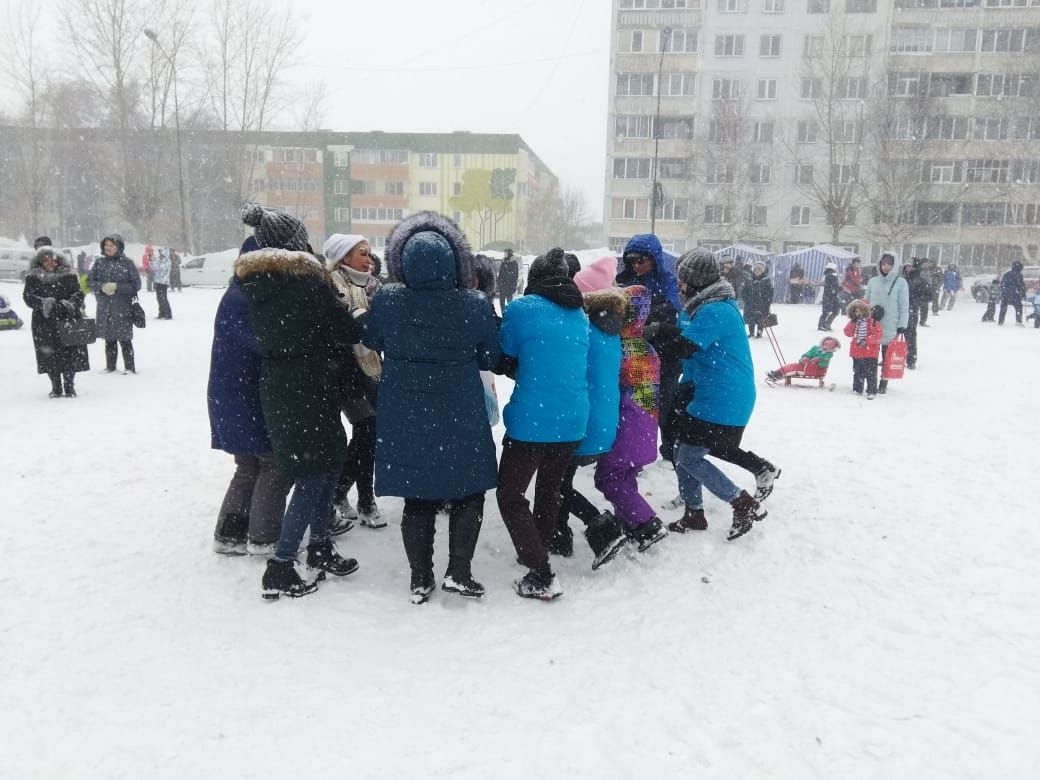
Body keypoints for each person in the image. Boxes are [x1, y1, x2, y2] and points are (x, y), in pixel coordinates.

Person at [364, 211, 500, 604]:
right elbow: (490, 356)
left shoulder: (389, 300)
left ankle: (420, 577)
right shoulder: (473, 304)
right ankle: (459, 570)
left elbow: (371, 337)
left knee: (417, 495)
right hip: (460, 411)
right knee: (469, 490)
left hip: (405, 413)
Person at [236, 203, 362, 600]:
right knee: (313, 474)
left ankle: (321, 545)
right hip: (307, 387)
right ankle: (281, 565)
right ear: (294, 242)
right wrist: (354, 313)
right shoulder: (306, 284)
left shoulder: (259, 283)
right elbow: (340, 328)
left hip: (285, 387)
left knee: (327, 464)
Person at [656, 249, 770, 541]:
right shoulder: (702, 307)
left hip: (726, 396)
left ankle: (742, 502)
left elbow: (683, 348)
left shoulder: (715, 310)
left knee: (689, 457)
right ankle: (694, 513)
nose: (680, 287)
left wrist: (652, 334)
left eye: (683, 281)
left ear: (696, 282)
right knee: (683, 450)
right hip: (708, 391)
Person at [497, 247, 589, 601]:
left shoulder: (521, 309)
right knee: (549, 489)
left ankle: (541, 571)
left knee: (509, 493)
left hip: (533, 420)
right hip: (572, 418)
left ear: (534, 278)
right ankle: (536, 549)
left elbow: (507, 356)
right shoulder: (579, 313)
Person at [208, 237, 292, 556]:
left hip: (234, 393)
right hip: (246, 394)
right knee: (272, 463)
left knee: (248, 465)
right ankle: (263, 537)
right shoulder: (248, 297)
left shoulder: (238, 292)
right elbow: (268, 343)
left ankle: (230, 534)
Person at [550, 256, 629, 569]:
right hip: (603, 420)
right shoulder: (610, 330)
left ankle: (601, 529)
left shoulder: (584, 329)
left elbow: (569, 374)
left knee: (556, 484)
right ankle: (558, 537)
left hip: (582, 421)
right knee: (558, 481)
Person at [592, 284, 667, 551]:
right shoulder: (647, 348)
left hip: (627, 426)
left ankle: (647, 524)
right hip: (647, 427)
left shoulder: (619, 348)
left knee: (607, 478)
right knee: (625, 477)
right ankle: (631, 523)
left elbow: (607, 389)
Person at [325, 233, 384, 529]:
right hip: (346, 372)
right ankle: (363, 500)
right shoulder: (331, 285)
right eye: (362, 253)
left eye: (370, 253)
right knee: (367, 434)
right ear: (344, 257)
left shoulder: (375, 286)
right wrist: (359, 322)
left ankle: (343, 493)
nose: (368, 259)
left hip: (373, 369)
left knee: (367, 437)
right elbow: (339, 330)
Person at [616, 233, 682, 461]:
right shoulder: (624, 281)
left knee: (666, 406)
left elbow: (675, 310)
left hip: (666, 355)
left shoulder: (668, 281)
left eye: (641, 260)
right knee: (637, 407)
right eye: (631, 261)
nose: (636, 265)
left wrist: (653, 320)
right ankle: (637, 450)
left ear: (654, 259)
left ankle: (669, 450)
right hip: (636, 355)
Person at [23, 246, 90, 397]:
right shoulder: (32, 277)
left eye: (51, 259)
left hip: (67, 319)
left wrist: (68, 303)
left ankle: (69, 385)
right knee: (49, 355)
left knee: (70, 353)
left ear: (57, 259)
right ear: (39, 262)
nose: (48, 262)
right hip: (44, 322)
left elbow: (79, 294)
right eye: (44, 260)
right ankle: (56, 386)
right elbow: (28, 297)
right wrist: (44, 303)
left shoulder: (69, 275)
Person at [87, 234, 140, 374]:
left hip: (122, 307)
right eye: (106, 245)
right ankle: (110, 366)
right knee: (109, 338)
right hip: (105, 307)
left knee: (125, 339)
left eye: (111, 245)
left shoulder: (127, 263)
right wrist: (101, 286)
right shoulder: (99, 263)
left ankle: (129, 367)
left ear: (119, 247)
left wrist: (117, 286)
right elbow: (89, 282)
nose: (108, 248)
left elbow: (136, 285)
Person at [864, 251, 909, 395]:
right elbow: (866, 302)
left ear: (894, 265)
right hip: (873, 325)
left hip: (891, 325)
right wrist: (863, 318)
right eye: (884, 264)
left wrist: (902, 325)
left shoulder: (901, 282)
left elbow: (904, 306)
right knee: (871, 358)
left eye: (889, 264)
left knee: (886, 357)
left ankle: (883, 382)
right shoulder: (873, 281)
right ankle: (871, 382)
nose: (886, 267)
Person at [843, 301, 883, 398]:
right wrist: (852, 321)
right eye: (855, 311)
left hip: (870, 352)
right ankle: (857, 389)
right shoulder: (855, 322)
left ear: (865, 311)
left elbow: (878, 334)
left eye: (860, 311)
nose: (858, 313)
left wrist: (867, 341)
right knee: (857, 372)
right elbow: (847, 332)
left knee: (871, 373)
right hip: (857, 352)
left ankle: (871, 391)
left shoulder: (873, 322)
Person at [765, 336, 840, 385]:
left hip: (815, 371)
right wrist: (804, 358)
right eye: (826, 344)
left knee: (792, 369)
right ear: (823, 343)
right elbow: (807, 354)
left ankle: (777, 375)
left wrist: (819, 360)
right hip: (805, 366)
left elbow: (824, 364)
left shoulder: (828, 355)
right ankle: (776, 373)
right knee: (791, 366)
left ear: (833, 348)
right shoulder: (815, 348)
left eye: (830, 346)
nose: (826, 347)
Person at [904, 259, 931, 369]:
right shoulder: (901, 280)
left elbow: (928, 296)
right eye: (906, 266)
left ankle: (911, 359)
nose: (908, 268)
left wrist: (914, 302)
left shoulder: (920, 281)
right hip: (898, 311)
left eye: (910, 266)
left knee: (910, 336)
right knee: (893, 335)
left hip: (911, 311)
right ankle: (891, 356)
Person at [742, 260, 773, 338]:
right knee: (750, 319)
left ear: (762, 271)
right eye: (756, 270)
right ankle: (751, 333)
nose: (757, 271)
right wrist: (746, 299)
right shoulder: (749, 279)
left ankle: (759, 333)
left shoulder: (766, 280)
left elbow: (770, 292)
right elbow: (744, 291)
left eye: (759, 270)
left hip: (762, 304)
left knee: (760, 319)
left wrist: (767, 302)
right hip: (750, 303)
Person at [999, 261, 1026, 326]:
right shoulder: (1019, 275)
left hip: (1005, 294)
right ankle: (1018, 321)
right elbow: (1021, 285)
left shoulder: (1007, 274)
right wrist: (1023, 293)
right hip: (1015, 294)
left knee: (1003, 308)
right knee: (1019, 307)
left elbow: (1002, 284)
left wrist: (1003, 291)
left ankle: (1000, 322)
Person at [817, 262, 842, 331]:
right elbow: (832, 286)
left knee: (827, 311)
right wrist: (838, 289)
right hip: (832, 296)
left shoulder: (829, 275)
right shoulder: (832, 275)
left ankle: (823, 325)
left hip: (829, 296)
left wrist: (837, 289)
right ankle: (825, 324)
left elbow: (831, 286)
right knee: (834, 311)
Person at [152, 247, 173, 320]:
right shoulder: (159, 259)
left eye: (161, 251)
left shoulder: (167, 260)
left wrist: (156, 262)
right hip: (158, 281)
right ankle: (161, 313)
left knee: (163, 298)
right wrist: (152, 260)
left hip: (163, 282)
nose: (160, 253)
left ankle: (168, 314)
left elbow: (162, 268)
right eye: (159, 251)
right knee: (159, 298)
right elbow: (155, 268)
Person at [497, 248, 519, 312]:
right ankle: (503, 314)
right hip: (502, 286)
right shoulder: (503, 262)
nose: (505, 254)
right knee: (501, 303)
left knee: (509, 303)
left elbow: (515, 276)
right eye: (504, 253)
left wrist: (514, 286)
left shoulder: (514, 263)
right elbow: (500, 273)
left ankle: (509, 315)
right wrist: (498, 283)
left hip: (510, 287)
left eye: (506, 253)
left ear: (509, 254)